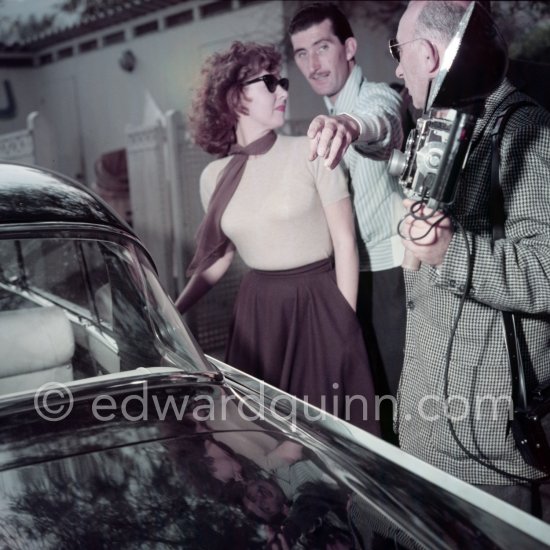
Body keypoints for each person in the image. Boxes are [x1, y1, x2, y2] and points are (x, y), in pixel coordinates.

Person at [392, 0, 550, 520]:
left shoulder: (524, 129)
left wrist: (449, 250)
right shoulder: (448, 127)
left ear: (430, 54)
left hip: (488, 456)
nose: (396, 68)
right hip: (431, 431)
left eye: (399, 51)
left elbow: (545, 272)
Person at [176, 41, 379, 435]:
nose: (284, 91)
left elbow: (345, 244)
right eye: (270, 83)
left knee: (325, 439)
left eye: (282, 81)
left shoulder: (312, 150)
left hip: (318, 306)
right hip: (257, 314)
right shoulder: (213, 178)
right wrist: (171, 310)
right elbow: (218, 260)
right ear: (235, 97)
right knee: (262, 438)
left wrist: (343, 322)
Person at [289, 3, 407, 442]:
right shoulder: (320, 120)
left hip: (390, 279)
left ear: (349, 48)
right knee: (367, 406)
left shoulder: (376, 97)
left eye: (322, 47)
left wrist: (349, 124)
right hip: (347, 280)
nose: (312, 64)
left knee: (400, 407)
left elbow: (382, 118)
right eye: (301, 54)